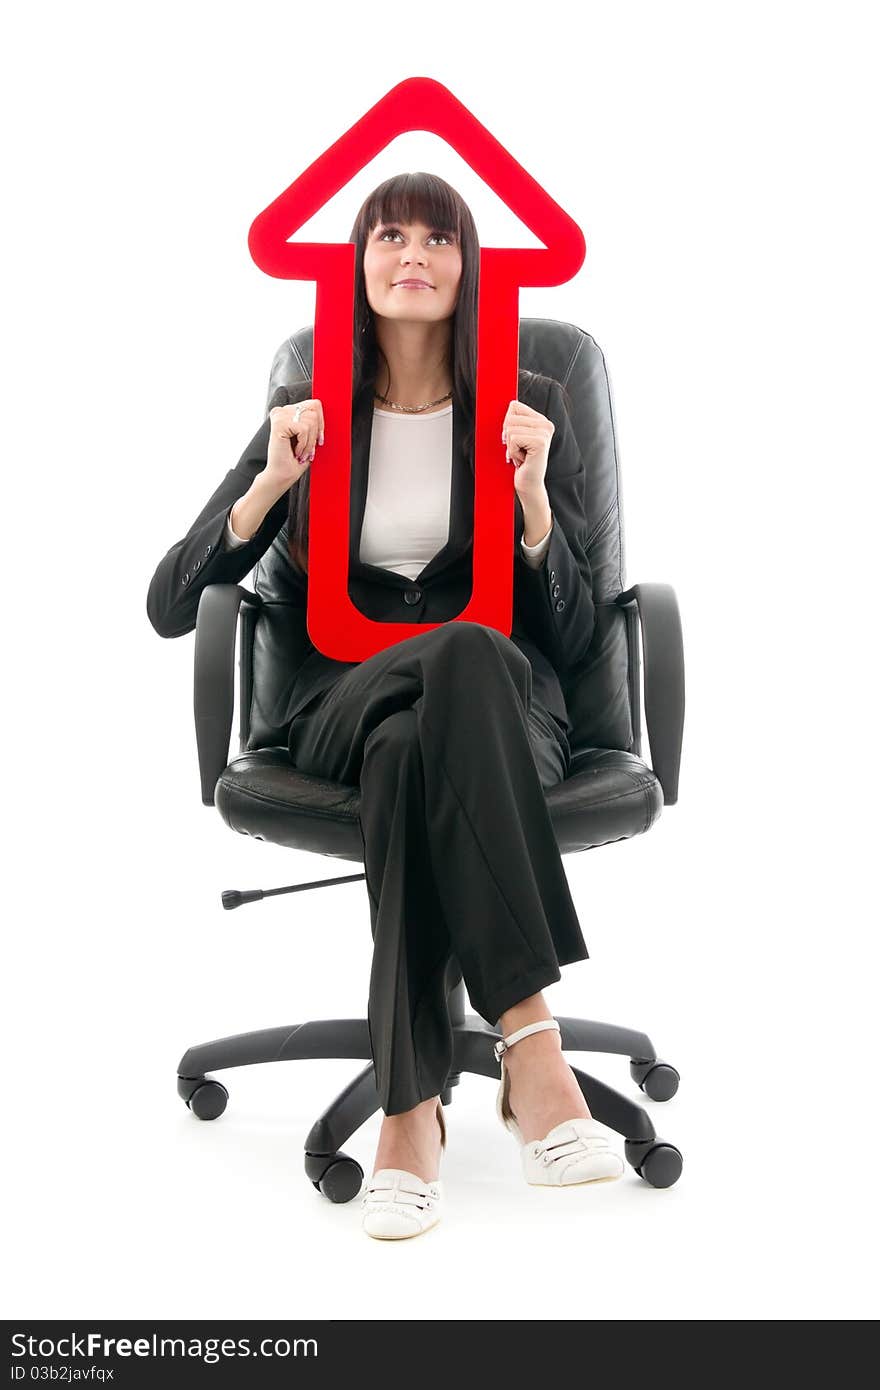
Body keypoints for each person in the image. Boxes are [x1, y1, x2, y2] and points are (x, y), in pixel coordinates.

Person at [147, 172, 623, 1241]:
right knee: (429, 678)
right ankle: (530, 1046)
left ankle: (410, 1114)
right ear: (356, 263)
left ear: (472, 263)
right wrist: (269, 484)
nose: (413, 253)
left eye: (438, 237)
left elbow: (585, 638)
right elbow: (171, 603)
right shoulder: (304, 406)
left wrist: (535, 502)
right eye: (390, 234)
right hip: (333, 703)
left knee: (430, 723)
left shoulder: (529, 400)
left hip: (505, 708)